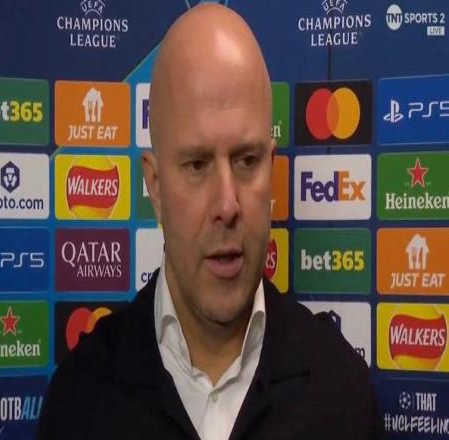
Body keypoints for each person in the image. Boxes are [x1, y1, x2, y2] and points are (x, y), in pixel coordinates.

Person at [37, 3, 381, 439]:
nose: (227, 204)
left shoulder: (342, 393)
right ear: (155, 187)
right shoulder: (80, 400)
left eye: (247, 160)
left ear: (271, 169)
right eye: (197, 165)